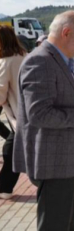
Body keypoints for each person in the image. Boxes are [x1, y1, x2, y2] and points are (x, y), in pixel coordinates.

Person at [13, 10, 74, 231]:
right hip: (54, 164)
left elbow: (62, 100)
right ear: (66, 32)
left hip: (68, 162)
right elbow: (39, 114)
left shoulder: (59, 59)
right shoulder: (40, 61)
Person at [0, 25, 26, 199]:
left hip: (19, 114)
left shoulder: (6, 61)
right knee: (13, 148)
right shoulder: (25, 55)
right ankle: (5, 187)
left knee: (11, 150)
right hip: (29, 111)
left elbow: (0, 91)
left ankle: (5, 188)